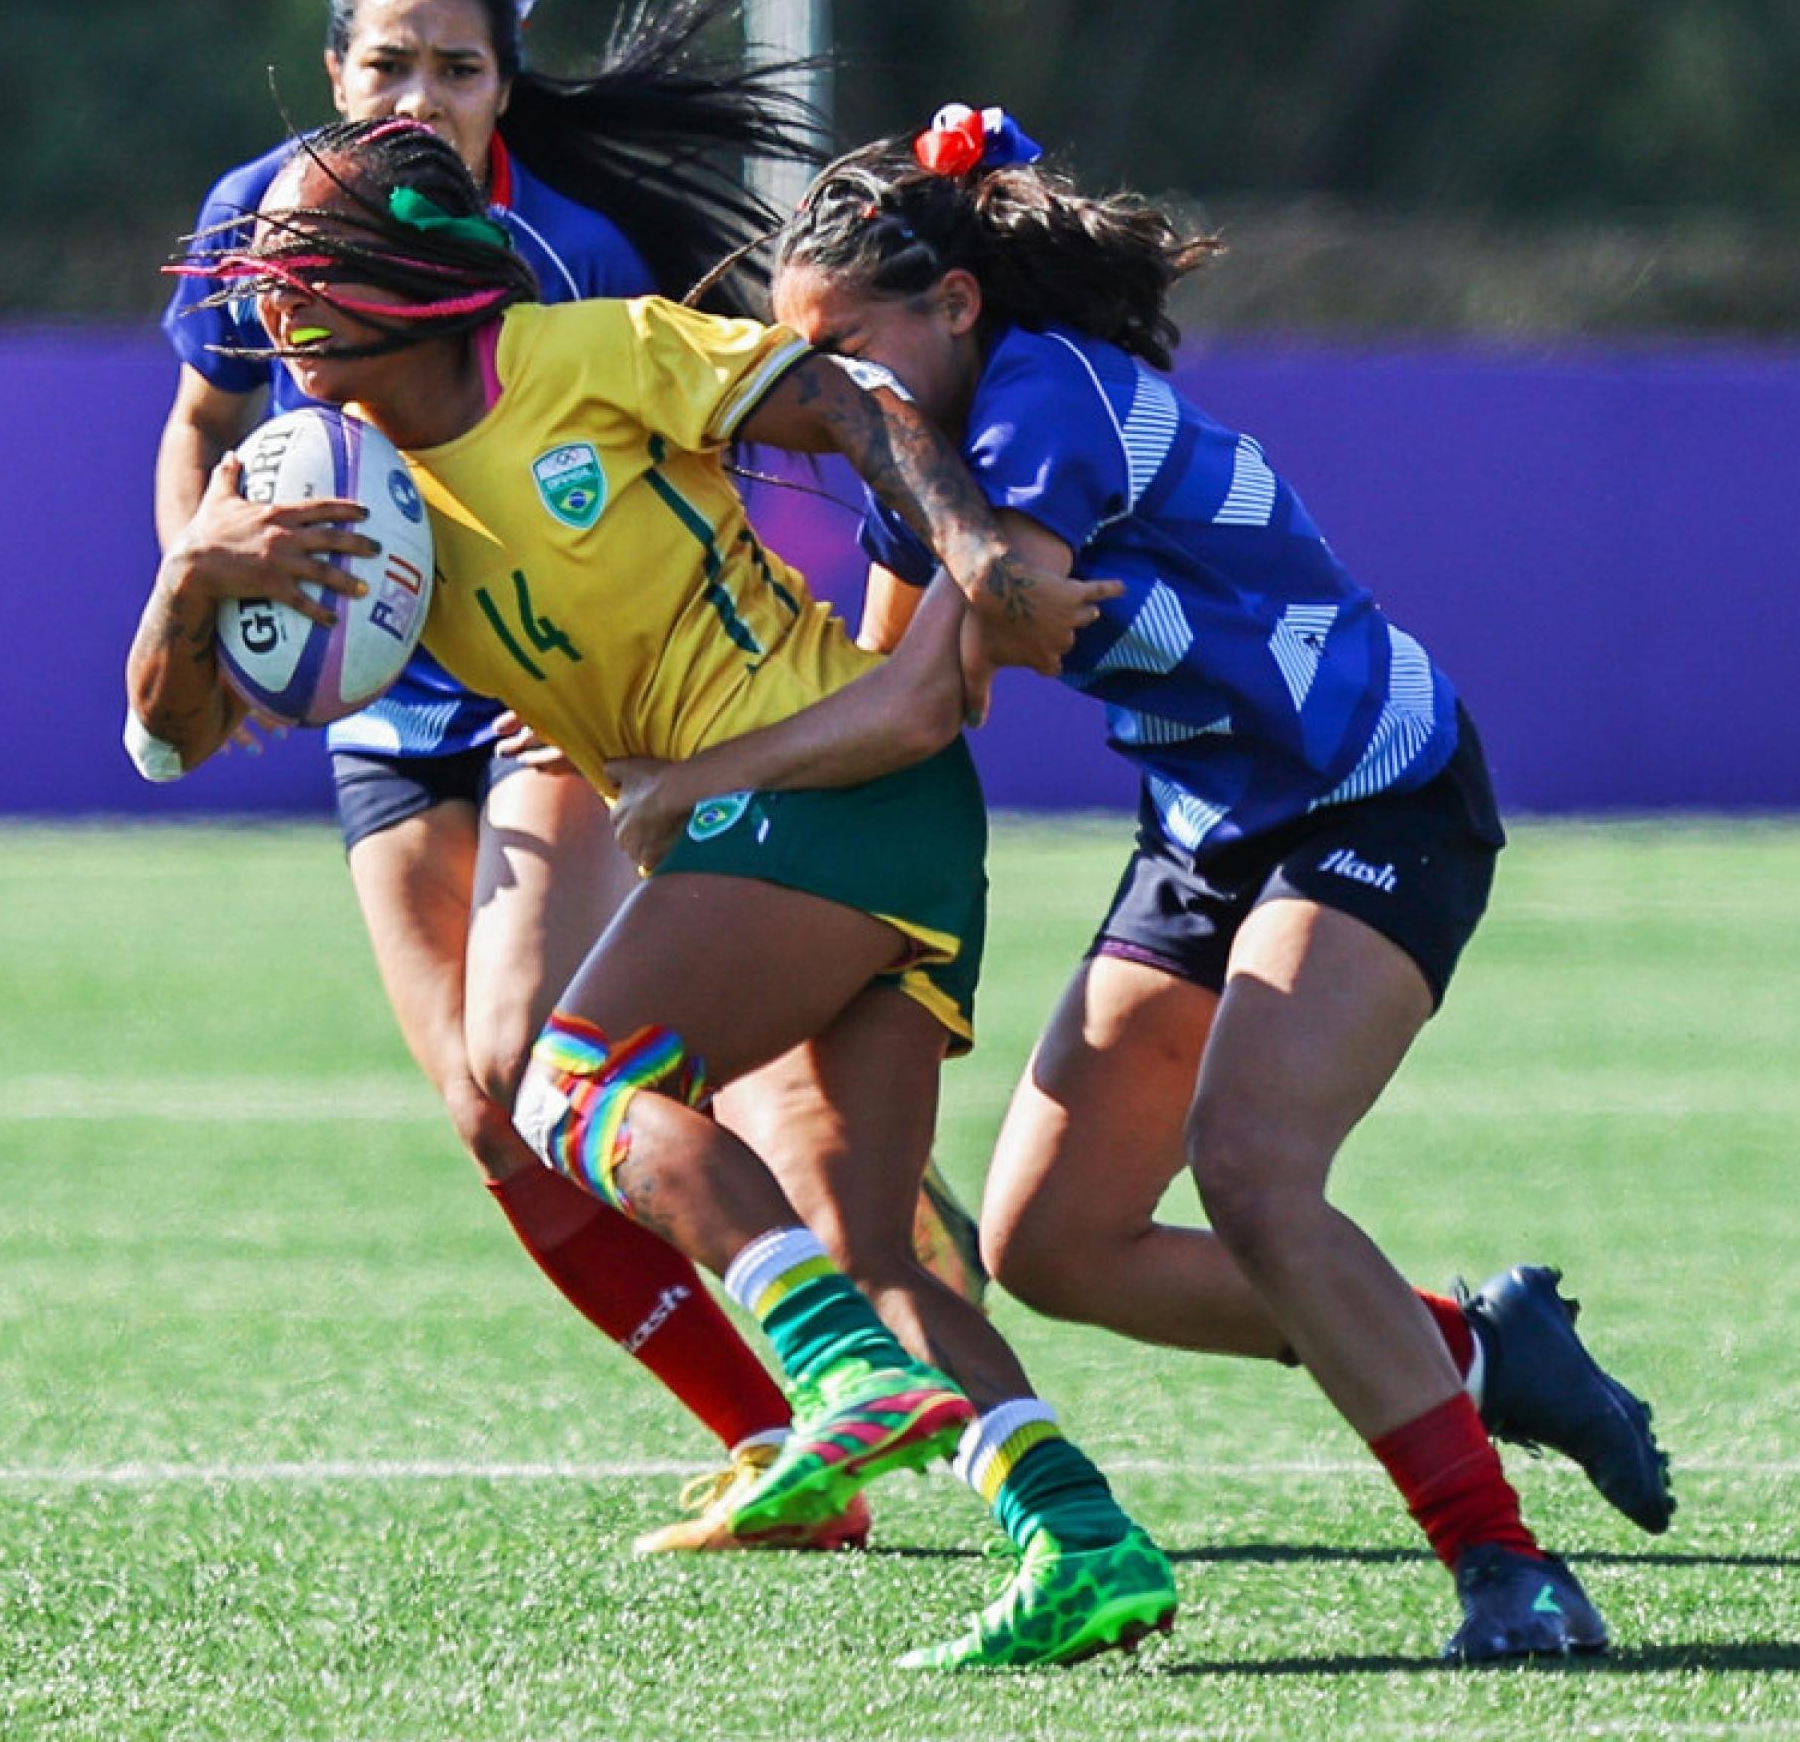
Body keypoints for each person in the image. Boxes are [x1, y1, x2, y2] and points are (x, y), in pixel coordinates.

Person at [606, 102, 1676, 1663]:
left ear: (955, 305)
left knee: (1251, 1172)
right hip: (1208, 828)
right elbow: (907, 674)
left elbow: (959, 662)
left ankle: (1507, 1572)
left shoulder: (1042, 399)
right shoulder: (944, 444)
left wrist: (689, 786)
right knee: (1052, 1243)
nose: (832, 388)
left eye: (849, 349)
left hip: (1370, 788)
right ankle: (1481, 1357)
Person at [129, 114, 1174, 1670]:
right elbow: (170, 739)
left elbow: (848, 396)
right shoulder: (335, 497)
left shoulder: (599, 351)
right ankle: (1084, 1538)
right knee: (873, 1247)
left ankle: (831, 1379)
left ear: (405, 287)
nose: (267, 310)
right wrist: (193, 573)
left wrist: (966, 547)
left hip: (825, 792)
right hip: (835, 829)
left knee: (568, 1088)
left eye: (302, 275)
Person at [152, 0, 898, 1553]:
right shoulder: (263, 214)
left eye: (458, 68)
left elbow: (672, 461)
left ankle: (853, 1289)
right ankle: (787, 1443)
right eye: (387, 63)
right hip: (378, 705)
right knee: (491, 1117)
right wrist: (208, 595)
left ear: (507, 83)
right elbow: (202, 421)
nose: (418, 96)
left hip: (537, 699)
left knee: (559, 1069)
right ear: (336, 71)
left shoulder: (565, 256)